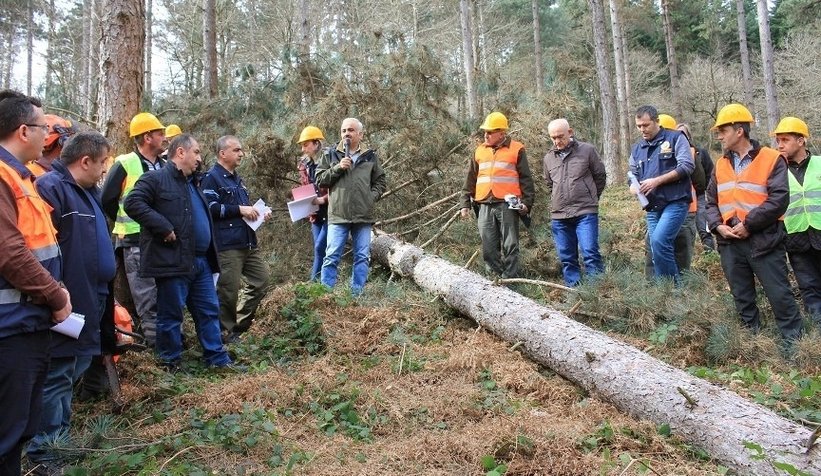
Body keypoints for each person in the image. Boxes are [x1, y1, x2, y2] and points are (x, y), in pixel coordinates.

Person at [28, 132, 116, 470]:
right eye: (103, 163)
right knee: (59, 372)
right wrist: (56, 290)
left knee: (75, 365)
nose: (105, 170)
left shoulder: (88, 193)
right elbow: (41, 249)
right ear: (85, 161)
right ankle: (46, 451)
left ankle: (57, 435)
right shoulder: (52, 189)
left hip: (93, 297)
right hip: (67, 299)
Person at [0, 89, 72, 475]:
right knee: (6, 435)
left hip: (28, 323)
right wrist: (54, 293)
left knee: (18, 430)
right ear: (23, 130)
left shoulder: (24, 178)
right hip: (10, 329)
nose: (49, 136)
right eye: (45, 128)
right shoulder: (3, 177)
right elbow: (10, 253)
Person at [124, 134, 236, 371]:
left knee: (208, 311)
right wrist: (162, 226)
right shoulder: (155, 178)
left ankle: (217, 359)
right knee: (171, 315)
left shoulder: (192, 183)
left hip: (201, 262)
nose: (199, 158)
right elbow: (132, 203)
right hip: (173, 261)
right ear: (180, 153)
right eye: (195, 152)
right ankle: (170, 363)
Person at [705, 103, 803, 344]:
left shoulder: (772, 159)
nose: (719, 136)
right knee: (742, 297)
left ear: (739, 131)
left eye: (723, 131)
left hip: (764, 240)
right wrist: (718, 226)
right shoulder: (720, 164)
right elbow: (710, 202)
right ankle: (751, 343)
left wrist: (749, 224)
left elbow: (779, 199)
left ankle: (795, 345)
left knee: (779, 294)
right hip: (730, 242)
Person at [101, 112, 166, 347]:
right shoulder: (125, 162)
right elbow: (107, 198)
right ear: (147, 137)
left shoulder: (164, 165)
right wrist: (122, 223)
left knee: (164, 294)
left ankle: (170, 341)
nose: (165, 137)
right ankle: (156, 346)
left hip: (162, 240)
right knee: (147, 297)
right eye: (160, 133)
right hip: (134, 241)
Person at [201, 135, 271, 341]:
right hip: (227, 245)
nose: (241, 154)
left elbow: (245, 211)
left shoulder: (238, 180)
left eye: (241, 150)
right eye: (236, 150)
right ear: (223, 153)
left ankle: (239, 325)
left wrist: (259, 213)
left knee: (262, 281)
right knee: (228, 291)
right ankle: (224, 333)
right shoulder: (211, 178)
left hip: (248, 242)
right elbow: (210, 208)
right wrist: (241, 209)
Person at [316, 118, 387, 296]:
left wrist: (370, 198)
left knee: (362, 257)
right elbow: (319, 180)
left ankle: (356, 296)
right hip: (338, 215)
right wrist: (338, 168)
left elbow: (380, 181)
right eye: (343, 130)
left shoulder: (370, 156)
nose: (346, 133)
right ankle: (326, 296)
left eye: (351, 130)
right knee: (331, 256)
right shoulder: (330, 154)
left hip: (363, 216)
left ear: (360, 135)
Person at [460, 112, 535, 278]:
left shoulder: (516, 149)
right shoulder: (479, 151)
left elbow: (526, 179)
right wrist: (465, 203)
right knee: (488, 246)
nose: (486, 135)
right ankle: (494, 279)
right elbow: (470, 179)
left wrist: (527, 203)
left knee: (510, 245)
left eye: (490, 132)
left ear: (502, 133)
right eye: (485, 131)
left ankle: (510, 279)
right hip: (484, 203)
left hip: (507, 204)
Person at [628, 105, 694, 282]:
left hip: (675, 201)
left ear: (657, 121)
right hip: (652, 206)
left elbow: (687, 166)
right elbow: (632, 173)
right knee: (655, 247)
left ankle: (672, 290)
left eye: (646, 125)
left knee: (659, 241)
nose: (642, 129)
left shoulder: (675, 138)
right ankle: (662, 292)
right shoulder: (637, 148)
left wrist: (657, 181)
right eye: (639, 126)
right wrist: (633, 186)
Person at [542, 118, 606, 286]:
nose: (557, 141)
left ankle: (597, 292)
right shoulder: (548, 158)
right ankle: (574, 291)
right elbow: (549, 184)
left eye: (560, 136)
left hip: (585, 212)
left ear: (570, 132)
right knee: (566, 257)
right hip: (559, 215)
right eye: (553, 138)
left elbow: (600, 176)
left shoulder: (587, 150)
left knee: (590, 253)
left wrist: (590, 196)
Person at [642, 114, 704, 278]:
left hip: (685, 208)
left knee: (680, 250)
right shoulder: (649, 150)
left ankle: (678, 290)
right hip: (659, 207)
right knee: (654, 246)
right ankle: (657, 288)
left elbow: (701, 181)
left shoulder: (690, 151)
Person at [774, 116, 821, 329]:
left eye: (785, 140)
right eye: (778, 140)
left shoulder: (820, 164)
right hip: (795, 236)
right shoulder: (776, 170)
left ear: (801, 141)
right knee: (808, 286)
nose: (780, 145)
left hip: (820, 232)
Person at [296, 126, 329, 282]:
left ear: (316, 144)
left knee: (320, 247)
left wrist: (324, 199)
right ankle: (317, 287)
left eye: (306, 144)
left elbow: (339, 187)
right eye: (302, 145)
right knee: (319, 251)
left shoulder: (330, 159)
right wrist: (301, 200)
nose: (303, 149)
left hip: (332, 212)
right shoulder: (304, 165)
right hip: (315, 214)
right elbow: (305, 186)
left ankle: (315, 284)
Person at [677, 122, 715, 251]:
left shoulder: (700, 153)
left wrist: (709, 194)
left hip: (700, 196)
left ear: (689, 136)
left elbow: (711, 174)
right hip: (682, 197)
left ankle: (709, 255)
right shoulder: (673, 155)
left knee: (703, 227)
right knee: (685, 231)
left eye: (683, 134)